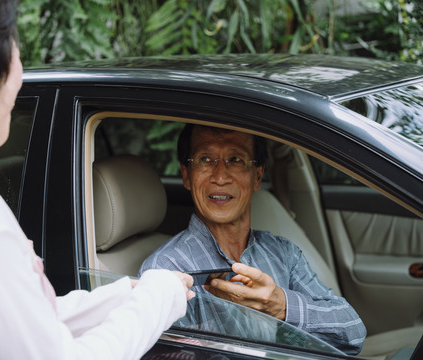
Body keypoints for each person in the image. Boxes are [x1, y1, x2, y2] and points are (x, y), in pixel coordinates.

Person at [0, 1, 194, 359]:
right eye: (12, 47)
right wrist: (158, 299)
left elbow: (13, 325)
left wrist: (125, 295)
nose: (19, 73)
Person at [139, 124, 367, 355]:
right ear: (187, 175)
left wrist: (283, 306)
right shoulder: (167, 270)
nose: (220, 176)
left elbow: (353, 332)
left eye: (236, 159)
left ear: (257, 176)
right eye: (205, 159)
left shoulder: (282, 253)